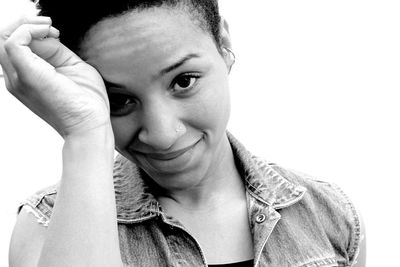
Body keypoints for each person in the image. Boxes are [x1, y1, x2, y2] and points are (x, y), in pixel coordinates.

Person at [1, 0, 365, 266]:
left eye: (183, 81)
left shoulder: (328, 216)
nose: (162, 134)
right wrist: (84, 133)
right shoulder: (45, 227)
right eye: (119, 101)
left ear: (223, 45)